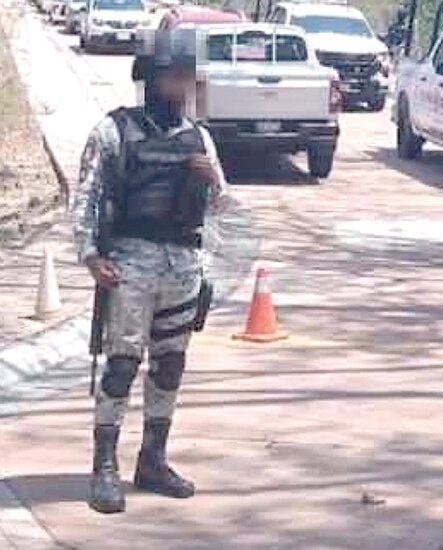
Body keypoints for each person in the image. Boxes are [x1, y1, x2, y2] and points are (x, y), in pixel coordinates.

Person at [73, 28, 230, 514]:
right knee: (122, 366)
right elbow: (86, 195)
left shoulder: (198, 136)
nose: (181, 87)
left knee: (170, 366)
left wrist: (212, 180)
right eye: (173, 77)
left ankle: (153, 460)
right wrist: (90, 254)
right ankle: (104, 466)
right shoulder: (113, 131)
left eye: (187, 77)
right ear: (150, 77)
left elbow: (221, 203)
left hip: (182, 266)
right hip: (129, 265)